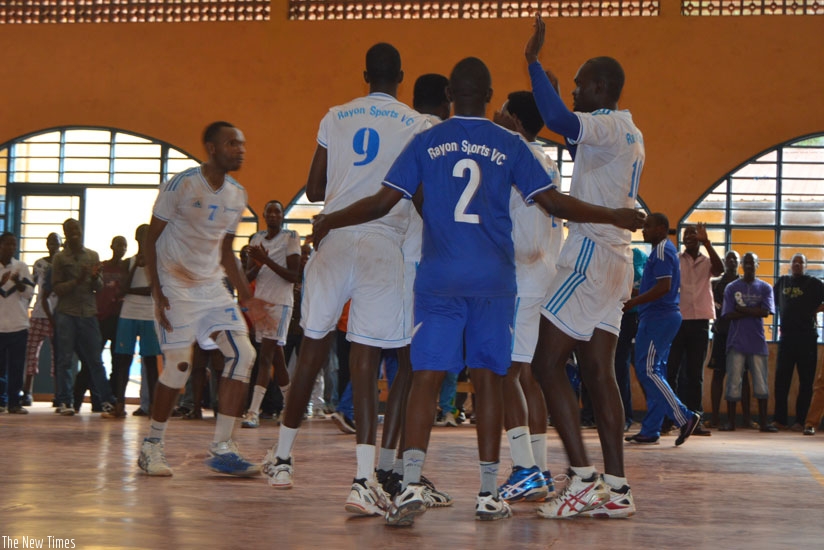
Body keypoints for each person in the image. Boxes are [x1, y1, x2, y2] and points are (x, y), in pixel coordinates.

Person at [311, 56, 643, 526]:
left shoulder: (424, 141)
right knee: (491, 379)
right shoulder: (510, 144)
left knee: (425, 377)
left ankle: (409, 482)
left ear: (449, 94)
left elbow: (384, 202)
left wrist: (331, 219)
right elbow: (553, 200)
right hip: (494, 281)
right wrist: (616, 216)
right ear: (489, 98)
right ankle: (488, 492)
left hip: (440, 278)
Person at [261, 44, 431, 518]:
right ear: (400, 75)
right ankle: (362, 479)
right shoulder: (415, 123)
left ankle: (281, 460)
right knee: (368, 357)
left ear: (364, 75)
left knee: (312, 347)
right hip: (383, 243)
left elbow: (315, 189)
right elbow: (415, 195)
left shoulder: (335, 116)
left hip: (333, 238)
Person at [525, 15, 645, 519]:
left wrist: (532, 64)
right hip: (616, 263)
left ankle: (580, 479)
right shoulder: (627, 132)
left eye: (578, 85)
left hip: (593, 255)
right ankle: (616, 488)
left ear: (600, 87)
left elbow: (560, 121)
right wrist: (551, 91)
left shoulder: (609, 123)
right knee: (599, 373)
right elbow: (575, 140)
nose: (572, 91)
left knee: (543, 363)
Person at [137, 121, 264, 477]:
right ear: (211, 148)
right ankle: (152, 446)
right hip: (175, 285)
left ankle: (224, 447)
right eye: (231, 144)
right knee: (179, 367)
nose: (240, 150)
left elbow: (226, 250)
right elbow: (150, 237)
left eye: (241, 144)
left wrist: (247, 297)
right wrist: (157, 291)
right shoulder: (183, 184)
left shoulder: (237, 195)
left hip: (211, 287)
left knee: (244, 355)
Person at [375, 73, 453, 508]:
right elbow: (426, 195)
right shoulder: (433, 133)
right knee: (420, 372)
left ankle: (391, 468)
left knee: (407, 370)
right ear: (447, 99)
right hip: (419, 264)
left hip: (397, 259)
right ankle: (402, 474)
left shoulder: (404, 126)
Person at [495, 90, 563, 503]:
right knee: (527, 376)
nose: (496, 114)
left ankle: (524, 469)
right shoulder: (546, 157)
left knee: (506, 373)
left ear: (515, 119)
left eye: (502, 109)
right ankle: (538, 467)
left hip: (522, 275)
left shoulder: (514, 155)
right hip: (543, 275)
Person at [622, 214, 700, 446]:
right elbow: (652, 287)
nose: (643, 231)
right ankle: (651, 428)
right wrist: (630, 295)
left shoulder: (661, 251)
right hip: (661, 316)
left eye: (648, 227)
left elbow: (663, 287)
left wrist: (635, 303)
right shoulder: (665, 250)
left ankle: (684, 417)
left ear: (661, 228)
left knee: (648, 371)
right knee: (655, 372)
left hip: (658, 317)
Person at [241, 200, 300, 429]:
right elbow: (247, 277)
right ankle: (291, 408)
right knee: (276, 357)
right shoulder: (256, 240)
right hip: (261, 304)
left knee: (265, 356)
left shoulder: (291, 237)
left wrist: (265, 260)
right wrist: (257, 263)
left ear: (283, 215)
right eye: (270, 211)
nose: (274, 214)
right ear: (264, 215)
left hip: (280, 303)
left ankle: (253, 411)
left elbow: (293, 275)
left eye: (278, 211)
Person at [51, 219, 118, 417]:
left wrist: (95, 277)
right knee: (64, 360)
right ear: (65, 233)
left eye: (77, 229)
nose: (74, 233)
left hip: (88, 313)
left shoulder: (92, 255)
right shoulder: (60, 259)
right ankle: (65, 402)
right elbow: (57, 288)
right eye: (70, 230)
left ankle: (106, 400)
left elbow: (97, 287)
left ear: (81, 231)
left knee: (95, 360)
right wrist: (77, 280)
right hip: (66, 313)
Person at [665, 223, 722, 436]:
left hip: (699, 322)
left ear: (699, 238)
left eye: (693, 234)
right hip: (678, 320)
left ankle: (695, 419)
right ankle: (669, 419)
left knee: (695, 373)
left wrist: (707, 242)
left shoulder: (707, 262)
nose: (689, 237)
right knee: (672, 371)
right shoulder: (676, 260)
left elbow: (721, 270)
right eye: (686, 234)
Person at [721, 252, 776, 433]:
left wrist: (742, 309)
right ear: (742, 265)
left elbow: (766, 312)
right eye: (746, 262)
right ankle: (731, 423)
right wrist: (754, 310)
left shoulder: (765, 287)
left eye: (753, 262)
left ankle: (763, 423)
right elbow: (728, 314)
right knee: (733, 382)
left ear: (758, 264)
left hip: (758, 342)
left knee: (761, 383)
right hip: (736, 342)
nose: (749, 265)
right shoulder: (731, 287)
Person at [111, 224, 161, 417]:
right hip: (129, 313)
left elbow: (154, 289)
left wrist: (134, 288)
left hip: (149, 313)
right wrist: (136, 268)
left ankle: (154, 405)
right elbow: (122, 289)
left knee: (149, 361)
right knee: (123, 359)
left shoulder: (157, 262)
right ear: (136, 238)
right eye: (141, 236)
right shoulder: (128, 262)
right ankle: (120, 404)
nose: (144, 239)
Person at [74, 235, 128, 413]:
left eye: (124, 246)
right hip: (100, 319)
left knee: (117, 363)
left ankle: (110, 401)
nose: (121, 248)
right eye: (118, 245)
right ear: (112, 246)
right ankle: (77, 400)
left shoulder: (127, 268)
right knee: (92, 361)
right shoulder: (102, 266)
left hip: (119, 320)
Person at [772, 253, 824, 430]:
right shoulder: (782, 282)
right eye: (794, 261)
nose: (797, 264)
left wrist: (816, 310)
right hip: (786, 338)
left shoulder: (814, 283)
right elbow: (771, 302)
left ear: (806, 265)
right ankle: (779, 419)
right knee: (781, 380)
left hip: (807, 338)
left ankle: (801, 421)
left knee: (806, 382)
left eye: (801, 261)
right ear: (790, 264)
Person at [709, 251, 752, 429]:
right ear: (724, 262)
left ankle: (747, 419)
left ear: (739, 262)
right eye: (729, 258)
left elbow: (749, 307)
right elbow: (716, 307)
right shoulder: (715, 284)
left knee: (743, 376)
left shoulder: (746, 284)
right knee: (718, 374)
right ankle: (715, 417)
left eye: (735, 258)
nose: (732, 261)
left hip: (741, 334)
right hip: (721, 333)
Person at [23, 232, 61, 406]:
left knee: (57, 356)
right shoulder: (39, 263)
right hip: (38, 313)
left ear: (61, 244)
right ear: (47, 244)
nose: (53, 245)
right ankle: (26, 392)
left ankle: (57, 394)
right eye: (51, 242)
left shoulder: (63, 263)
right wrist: (25, 309)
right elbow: (31, 286)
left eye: (56, 242)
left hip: (58, 314)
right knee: (31, 354)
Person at [0, 232, 35, 414]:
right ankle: (1, 402)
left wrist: (18, 283)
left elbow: (29, 293)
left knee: (16, 366)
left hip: (18, 324)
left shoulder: (21, 267)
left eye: (14, 244)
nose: (11, 248)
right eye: (7, 244)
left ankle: (14, 402)